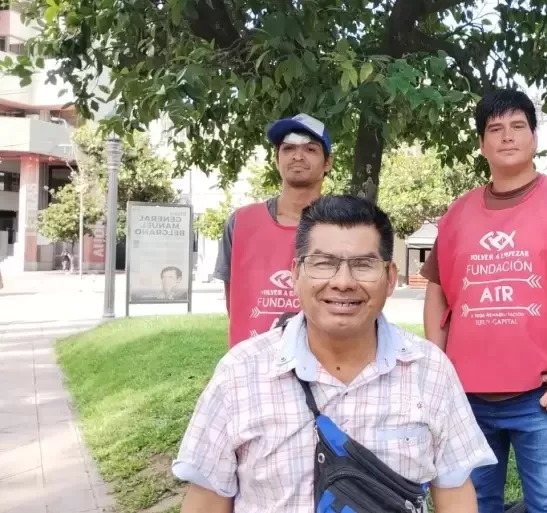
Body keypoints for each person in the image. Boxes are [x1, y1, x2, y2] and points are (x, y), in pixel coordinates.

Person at [173, 195, 496, 513]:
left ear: (390, 278)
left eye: (363, 265)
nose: (343, 282)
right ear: (295, 274)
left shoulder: (430, 370)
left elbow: (455, 494)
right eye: (324, 263)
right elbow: (207, 501)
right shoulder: (240, 372)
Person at [422, 89, 547, 513]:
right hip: (465, 397)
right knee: (472, 506)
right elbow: (437, 290)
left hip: (541, 395)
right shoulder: (456, 215)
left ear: (534, 137)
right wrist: (436, 370)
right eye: (495, 129)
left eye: (517, 126)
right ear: (482, 144)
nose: (507, 136)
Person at [214, 113, 332, 347]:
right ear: (277, 160)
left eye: (310, 149)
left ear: (328, 162)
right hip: (251, 360)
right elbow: (233, 299)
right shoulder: (241, 222)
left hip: (323, 358)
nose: (297, 156)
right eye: (288, 148)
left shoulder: (341, 225)